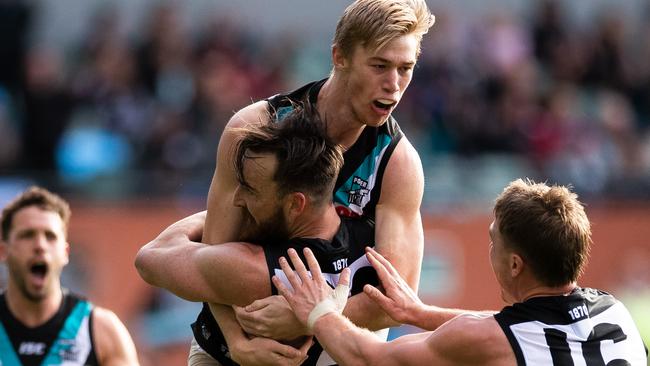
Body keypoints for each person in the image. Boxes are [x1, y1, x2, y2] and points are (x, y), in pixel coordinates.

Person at [195, 0, 435, 364]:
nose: (394, 84)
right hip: (231, 347)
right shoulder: (256, 128)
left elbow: (396, 299)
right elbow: (212, 258)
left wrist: (309, 317)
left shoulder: (398, 164)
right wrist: (239, 343)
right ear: (340, 56)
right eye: (380, 66)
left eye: (406, 68)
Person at [275, 179, 649, 365]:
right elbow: (519, 330)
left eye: (493, 241)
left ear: (515, 264)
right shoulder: (614, 310)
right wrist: (424, 315)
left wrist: (321, 311)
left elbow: (370, 358)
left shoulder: (490, 340)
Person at [136, 106, 382, 366]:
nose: (237, 200)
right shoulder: (373, 243)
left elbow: (151, 257)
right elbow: (396, 309)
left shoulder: (253, 269)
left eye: (251, 190)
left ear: (295, 205)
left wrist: (214, 215)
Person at [0, 186, 140, 366]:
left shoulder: (101, 332)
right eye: (27, 235)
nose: (40, 246)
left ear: (65, 252)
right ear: (4, 251)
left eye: (50, 236)